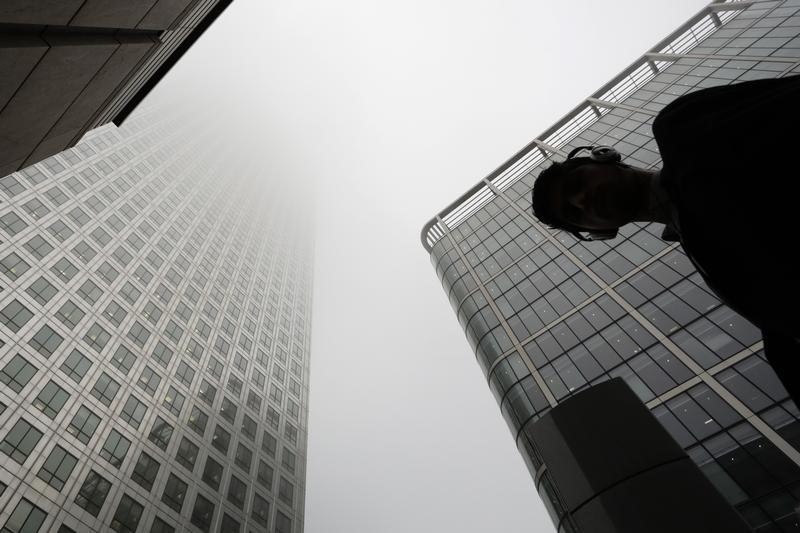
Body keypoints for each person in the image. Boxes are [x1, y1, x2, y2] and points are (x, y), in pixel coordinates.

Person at [530, 74, 800, 402]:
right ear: (601, 232)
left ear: (606, 157)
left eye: (578, 185)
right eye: (575, 215)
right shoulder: (715, 271)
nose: (581, 201)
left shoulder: (680, 129)